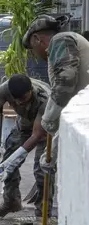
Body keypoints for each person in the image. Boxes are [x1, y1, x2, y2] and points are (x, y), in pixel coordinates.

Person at [22, 15, 89, 176]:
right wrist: (53, 152)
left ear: (37, 39)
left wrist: (49, 117)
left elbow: (65, 81)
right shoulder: (70, 41)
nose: (36, 55)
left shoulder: (60, 40)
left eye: (32, 48)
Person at [0, 74, 51, 218]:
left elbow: (37, 135)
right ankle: (11, 201)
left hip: (46, 129)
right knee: (7, 162)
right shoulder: (5, 89)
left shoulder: (45, 98)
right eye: (15, 99)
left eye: (23, 99)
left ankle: (43, 214)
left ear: (30, 91)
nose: (19, 103)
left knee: (42, 169)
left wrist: (18, 157)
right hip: (24, 125)